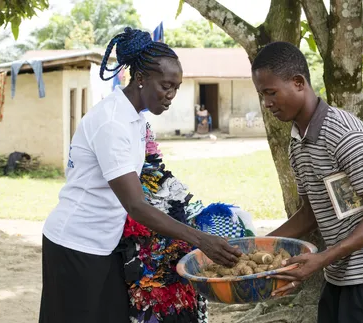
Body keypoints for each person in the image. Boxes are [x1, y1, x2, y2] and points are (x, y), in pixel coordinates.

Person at [39, 27, 241, 323]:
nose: (171, 95)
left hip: (104, 245)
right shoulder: (113, 123)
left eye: (176, 87)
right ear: (141, 78)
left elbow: (148, 181)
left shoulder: (134, 118)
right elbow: (135, 205)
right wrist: (201, 240)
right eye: (166, 86)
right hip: (75, 244)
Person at [251, 41, 363, 323]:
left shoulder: (345, 135)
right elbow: (310, 212)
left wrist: (321, 259)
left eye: (271, 92)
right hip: (339, 276)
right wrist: (259, 247)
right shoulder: (297, 141)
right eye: (262, 95)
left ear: (299, 82)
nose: (266, 103)